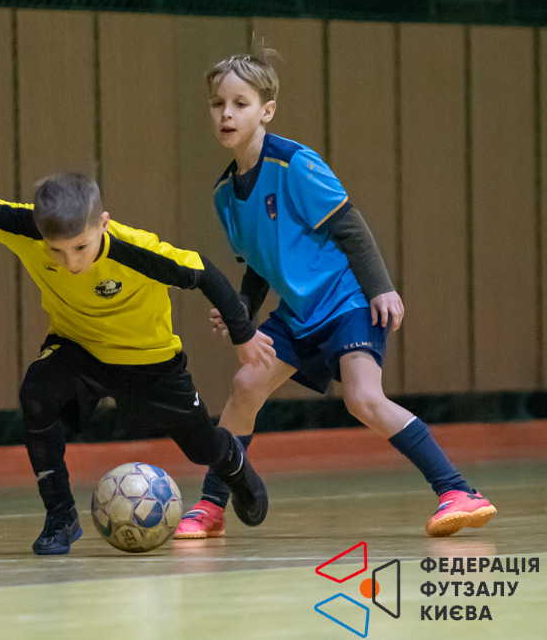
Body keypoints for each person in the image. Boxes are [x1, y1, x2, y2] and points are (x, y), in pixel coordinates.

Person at [0, 155, 276, 555]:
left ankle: (233, 463)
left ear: (104, 223)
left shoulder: (137, 249)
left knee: (202, 448)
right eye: (57, 251)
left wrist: (242, 335)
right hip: (78, 347)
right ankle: (60, 516)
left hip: (149, 360)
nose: (71, 262)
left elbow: (205, 273)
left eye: (81, 247)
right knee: (36, 393)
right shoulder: (26, 227)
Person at [175, 49, 496, 540]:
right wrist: (243, 307)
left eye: (240, 103)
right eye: (218, 104)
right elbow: (260, 262)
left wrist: (380, 288)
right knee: (245, 387)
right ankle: (211, 506)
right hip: (298, 313)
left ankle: (458, 491)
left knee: (363, 398)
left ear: (267, 110)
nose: (226, 114)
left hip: (346, 301)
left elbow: (348, 225)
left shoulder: (295, 163)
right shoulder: (224, 195)